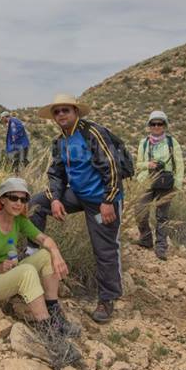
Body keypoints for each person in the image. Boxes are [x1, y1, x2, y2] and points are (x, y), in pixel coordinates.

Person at [29, 94, 124, 324]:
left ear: (76, 112)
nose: (61, 114)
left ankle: (107, 299)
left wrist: (109, 200)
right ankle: (32, 254)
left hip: (101, 201)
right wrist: (55, 199)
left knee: (104, 247)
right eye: (57, 111)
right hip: (78, 195)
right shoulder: (60, 141)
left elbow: (111, 165)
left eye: (65, 110)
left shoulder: (92, 133)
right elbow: (56, 174)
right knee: (36, 204)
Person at [0, 178, 81, 351]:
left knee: (45, 255)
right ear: (2, 199)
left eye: (23, 199)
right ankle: (48, 331)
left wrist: (56, 254)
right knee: (26, 271)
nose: (19, 203)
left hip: (6, 274)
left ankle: (54, 313)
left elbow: (44, 239)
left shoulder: (19, 221)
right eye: (13, 198)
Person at [135, 110, 184, 260]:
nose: (156, 126)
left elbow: (180, 164)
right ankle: (146, 239)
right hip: (147, 181)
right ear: (149, 125)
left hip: (166, 183)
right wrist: (148, 164)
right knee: (140, 212)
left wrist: (177, 185)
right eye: (153, 123)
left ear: (164, 125)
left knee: (162, 216)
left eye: (160, 123)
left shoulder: (171, 142)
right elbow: (138, 164)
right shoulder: (144, 143)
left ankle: (161, 247)